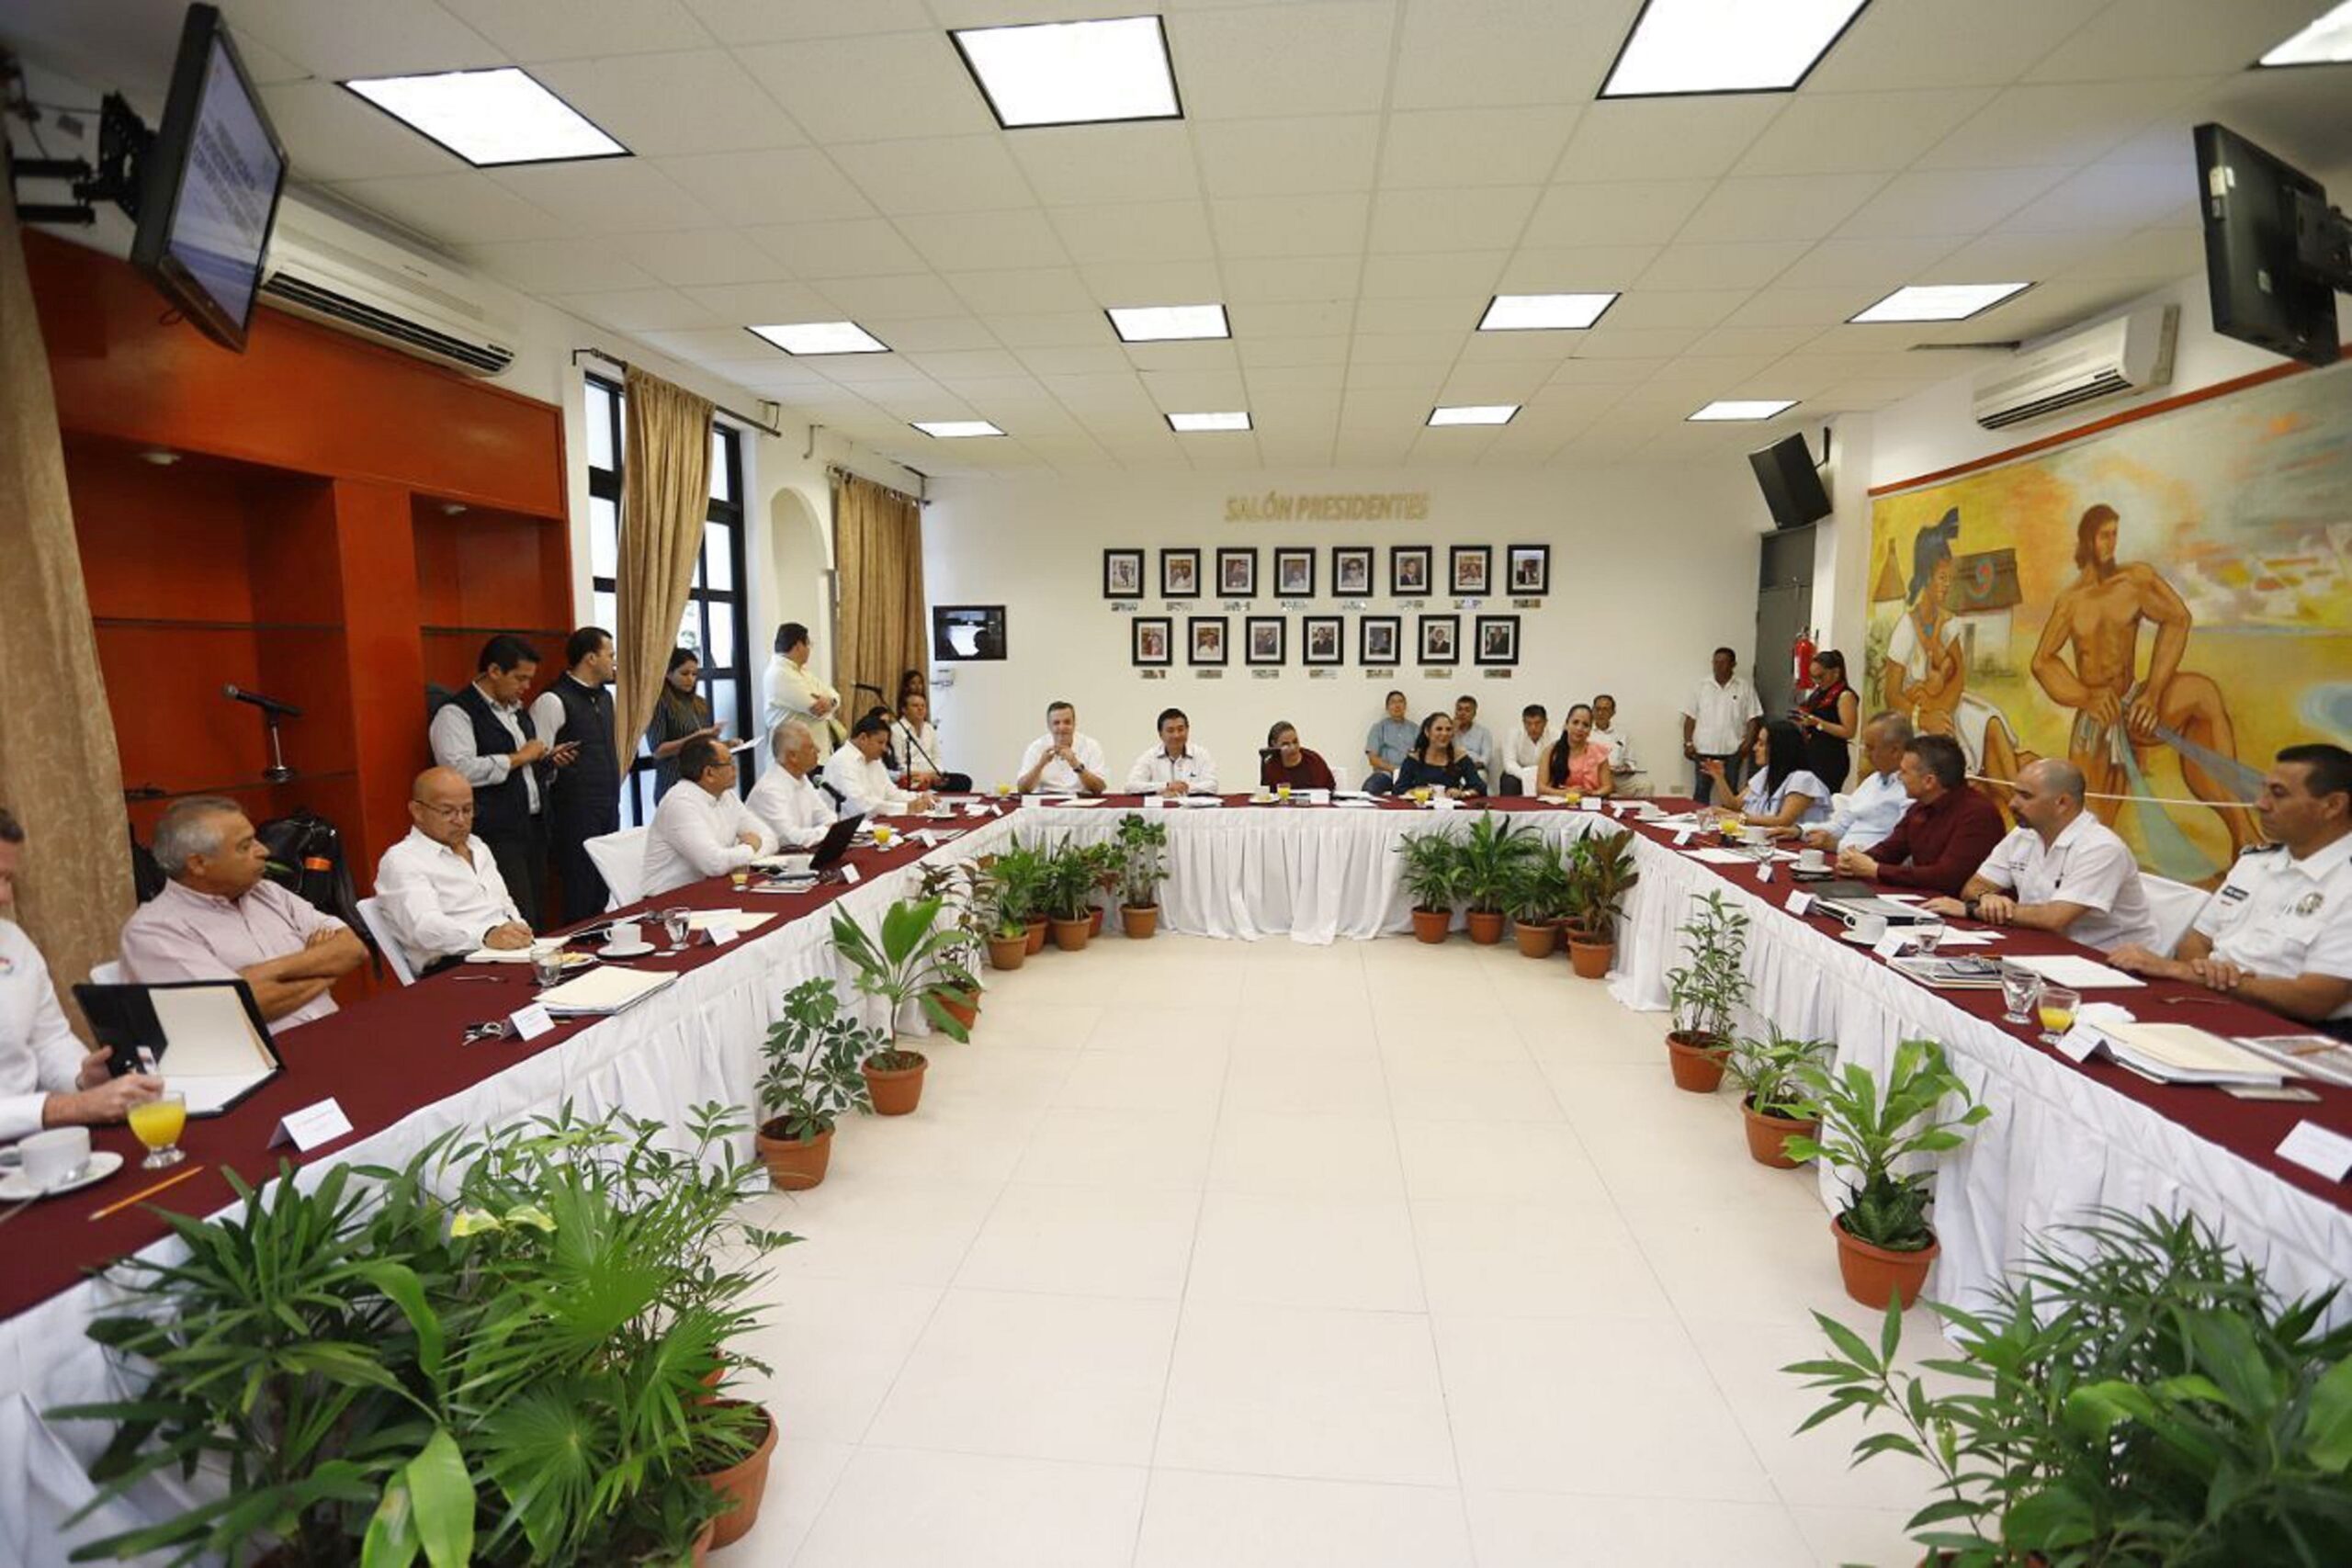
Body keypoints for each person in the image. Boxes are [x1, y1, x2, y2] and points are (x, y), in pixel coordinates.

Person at [2029, 502, 2260, 856]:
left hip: (2135, 701)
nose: (2111, 543)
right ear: (2087, 540)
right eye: (2104, 535)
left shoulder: (2134, 580)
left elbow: (2178, 619)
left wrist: (2152, 693)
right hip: (2097, 713)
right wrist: (2085, 697)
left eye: (2115, 535)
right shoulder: (2070, 601)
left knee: (2203, 694)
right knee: (2089, 822)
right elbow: (2042, 661)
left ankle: (2245, 834)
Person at [2112, 744, 2352, 1029]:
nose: (2260, 804)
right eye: (2264, 791)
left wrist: (2196, 976)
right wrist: (2205, 971)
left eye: (2278, 794)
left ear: (2333, 805)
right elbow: (2196, 940)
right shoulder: (2256, 861)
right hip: (2212, 1001)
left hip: (2291, 1028)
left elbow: (2316, 999)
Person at [120, 797, 367, 1028]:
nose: (264, 851)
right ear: (198, 864)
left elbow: (353, 948)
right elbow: (239, 1007)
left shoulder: (268, 892)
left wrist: (261, 974)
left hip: (334, 1032)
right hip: (265, 1056)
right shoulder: (156, 929)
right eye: (245, 846)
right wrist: (324, 967)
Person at [2, 808, 161, 1141]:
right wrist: (64, 1108)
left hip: (38, 1140)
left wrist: (83, 1080)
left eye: (7, 879)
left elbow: (48, 1040)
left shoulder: (11, 941)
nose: (5, 897)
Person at [1922, 759, 2156, 953]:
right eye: (2015, 793)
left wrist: (1972, 910)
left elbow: (2053, 919)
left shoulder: (2101, 848)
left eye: (2025, 796)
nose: (2012, 803)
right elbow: (1975, 886)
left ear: (2062, 803)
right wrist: (1986, 898)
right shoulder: (2023, 834)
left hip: (2105, 963)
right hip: (2040, 948)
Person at [430, 634, 570, 929]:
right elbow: (458, 771)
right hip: (496, 832)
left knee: (540, 910)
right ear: (494, 671)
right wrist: (518, 757)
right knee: (516, 914)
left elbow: (526, 766)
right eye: (520, 678)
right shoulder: (455, 713)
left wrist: (546, 761)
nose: (526, 687)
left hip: (534, 826)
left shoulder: (517, 712)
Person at [371, 767, 534, 976]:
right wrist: (486, 936)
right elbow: (424, 929)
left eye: (467, 810)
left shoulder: (478, 846)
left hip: (507, 955)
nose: (460, 820)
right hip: (454, 967)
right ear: (417, 811)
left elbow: (504, 905)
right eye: (447, 812)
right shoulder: (402, 859)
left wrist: (519, 931)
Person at [1837, 735, 2007, 895]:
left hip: (1958, 906)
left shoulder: (1978, 814)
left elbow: (1947, 877)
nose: (1899, 778)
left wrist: (1877, 870)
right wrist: (1855, 860)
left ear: (1929, 781)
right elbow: (1890, 850)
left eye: (1904, 772)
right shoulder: (1920, 807)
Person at [528, 626, 620, 923]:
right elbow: (537, 759)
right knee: (580, 887)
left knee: (603, 885)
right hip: (573, 810)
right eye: (610, 655)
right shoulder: (553, 700)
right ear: (591, 658)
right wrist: (553, 763)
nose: (614, 662)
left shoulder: (605, 698)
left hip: (608, 803)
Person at [642, 738, 775, 898]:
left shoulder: (727, 796)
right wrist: (750, 848)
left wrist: (746, 854)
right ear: (709, 773)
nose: (735, 768)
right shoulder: (680, 803)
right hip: (667, 900)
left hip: (708, 890)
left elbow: (770, 837)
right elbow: (714, 864)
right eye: (729, 763)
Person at [1802, 713, 1916, 853]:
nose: (1866, 754)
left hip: (1869, 860)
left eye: (1871, 748)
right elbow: (1841, 825)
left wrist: (1838, 846)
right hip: (1844, 854)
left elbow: (1897, 848)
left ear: (1895, 750)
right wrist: (1799, 831)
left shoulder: (1911, 790)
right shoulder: (1872, 781)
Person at [1707, 718, 1829, 830]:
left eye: (1761, 744)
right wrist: (1719, 777)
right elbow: (1735, 805)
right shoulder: (1766, 772)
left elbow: (1783, 821)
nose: (1755, 748)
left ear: (1779, 748)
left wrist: (1738, 818)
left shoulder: (1803, 779)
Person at [1682, 646, 1762, 805]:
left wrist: (1748, 743)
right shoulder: (1701, 686)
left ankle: (1729, 820)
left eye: (1723, 662)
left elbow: (1753, 718)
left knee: (1730, 792)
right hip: (1704, 751)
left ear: (1733, 664)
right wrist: (1688, 743)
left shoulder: (1744, 687)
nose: (1718, 666)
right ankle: (1699, 820)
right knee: (1701, 792)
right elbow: (1690, 718)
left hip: (1732, 751)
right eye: (1716, 662)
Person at [745, 721, 839, 849]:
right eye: (811, 747)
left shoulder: (801, 778)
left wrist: (830, 827)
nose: (818, 750)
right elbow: (790, 837)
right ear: (792, 756)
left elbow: (825, 815)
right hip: (774, 857)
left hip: (797, 853)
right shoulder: (770, 790)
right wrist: (827, 831)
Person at [646, 647, 720, 801]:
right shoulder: (661, 704)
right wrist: (693, 739)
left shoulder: (699, 703)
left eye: (694, 674)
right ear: (668, 674)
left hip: (700, 782)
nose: (691, 679)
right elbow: (658, 751)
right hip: (673, 781)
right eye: (685, 674)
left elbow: (704, 741)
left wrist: (725, 744)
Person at [826, 714, 934, 818]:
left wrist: (920, 797)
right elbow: (859, 806)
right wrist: (906, 808)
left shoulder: (874, 760)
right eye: (880, 742)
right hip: (850, 827)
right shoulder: (842, 761)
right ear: (863, 738)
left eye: (885, 743)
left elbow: (890, 793)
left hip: (875, 822)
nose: (884, 749)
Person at [763, 621, 844, 750]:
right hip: (793, 752)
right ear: (798, 646)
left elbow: (834, 694)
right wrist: (831, 703)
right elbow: (816, 709)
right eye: (808, 644)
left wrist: (832, 701)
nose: (809, 650)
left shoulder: (802, 671)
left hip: (815, 751)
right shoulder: (779, 673)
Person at [1796, 649, 1860, 794]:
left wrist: (1818, 723)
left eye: (1820, 676)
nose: (1816, 682)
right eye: (1813, 677)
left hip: (1831, 757)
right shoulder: (1818, 693)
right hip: (1812, 753)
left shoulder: (1845, 696)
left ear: (1836, 672)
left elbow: (1849, 731)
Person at [1016, 701, 1107, 794]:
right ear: (1049, 726)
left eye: (1067, 722)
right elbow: (1022, 789)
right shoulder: (1036, 747)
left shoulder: (1091, 746)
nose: (1062, 727)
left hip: (1081, 798)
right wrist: (1040, 765)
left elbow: (1099, 788)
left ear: (1074, 724)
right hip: (1046, 798)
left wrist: (1075, 764)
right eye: (1056, 723)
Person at [890, 689, 970, 794]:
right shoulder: (896, 730)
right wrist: (921, 775)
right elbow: (899, 764)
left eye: (923, 706)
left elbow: (937, 757)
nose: (920, 709)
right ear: (904, 710)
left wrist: (935, 773)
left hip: (932, 776)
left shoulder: (929, 728)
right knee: (916, 784)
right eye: (915, 706)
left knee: (964, 781)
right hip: (913, 777)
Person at [1127, 708, 1218, 795]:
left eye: (1180, 729)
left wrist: (1185, 788)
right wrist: (1166, 786)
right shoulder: (1150, 756)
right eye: (1170, 731)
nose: (1176, 735)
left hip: (1192, 806)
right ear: (1160, 734)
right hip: (1161, 806)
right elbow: (1131, 786)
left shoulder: (1201, 754)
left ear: (1187, 730)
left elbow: (1212, 785)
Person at [1395, 712, 1485, 798]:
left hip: (1451, 807)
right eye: (1439, 729)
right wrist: (1418, 792)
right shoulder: (1414, 758)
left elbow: (1480, 787)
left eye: (1448, 729)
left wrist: (1463, 793)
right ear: (1427, 732)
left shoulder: (1459, 757)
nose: (1444, 734)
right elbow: (1399, 789)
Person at [1538, 704, 1614, 799]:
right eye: (1575, 722)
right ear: (1566, 725)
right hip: (1559, 802)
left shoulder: (1599, 752)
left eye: (1585, 725)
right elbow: (1541, 788)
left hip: (1590, 803)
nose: (1579, 728)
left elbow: (1608, 787)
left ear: (1590, 730)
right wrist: (1566, 793)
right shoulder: (1550, 751)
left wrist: (1591, 795)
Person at [1363, 690, 1417, 795]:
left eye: (1400, 702)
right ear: (1387, 707)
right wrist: (1395, 770)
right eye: (1393, 702)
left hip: (1410, 776)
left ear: (1405, 706)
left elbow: (1421, 754)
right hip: (1385, 774)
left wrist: (1405, 771)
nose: (1397, 705)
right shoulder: (1378, 728)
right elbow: (1372, 759)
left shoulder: (1415, 729)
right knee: (1369, 788)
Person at [1260, 721, 1336, 792]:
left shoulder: (1314, 761)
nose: (1293, 748)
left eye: (1295, 742)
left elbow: (1329, 789)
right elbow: (1267, 796)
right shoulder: (1271, 766)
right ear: (1274, 744)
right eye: (1286, 744)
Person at [1496, 704, 1552, 796]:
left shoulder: (1556, 735)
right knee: (1508, 780)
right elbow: (1509, 763)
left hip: (1546, 775)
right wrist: (1527, 777)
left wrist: (1541, 777)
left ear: (1545, 722)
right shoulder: (1513, 734)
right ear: (1523, 723)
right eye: (1528, 723)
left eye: (1537, 723)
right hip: (1520, 773)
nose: (1533, 728)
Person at [1589, 694, 1643, 793]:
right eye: (1598, 709)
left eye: (1605, 709)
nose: (1600, 713)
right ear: (1592, 711)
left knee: (1645, 786)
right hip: (1593, 777)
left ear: (1613, 712)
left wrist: (1626, 768)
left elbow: (1631, 762)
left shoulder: (1622, 734)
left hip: (1618, 778)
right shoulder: (1585, 732)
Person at [1452, 695, 1496, 784]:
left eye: (1467, 710)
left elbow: (1486, 757)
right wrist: (1452, 732)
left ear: (1474, 713)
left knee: (1480, 775)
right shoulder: (1447, 731)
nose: (1462, 713)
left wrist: (1469, 767)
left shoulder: (1483, 732)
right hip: (1453, 767)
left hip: (1475, 767)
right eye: (1459, 709)